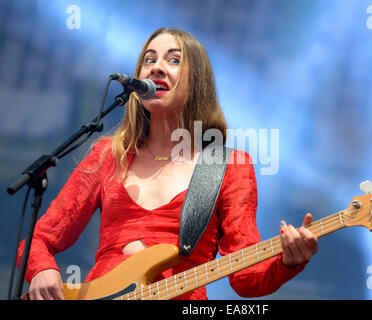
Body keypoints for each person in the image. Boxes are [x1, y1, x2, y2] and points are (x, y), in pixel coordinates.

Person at [16, 27, 318, 300]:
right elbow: (39, 240)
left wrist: (288, 260)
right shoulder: (108, 156)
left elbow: (245, 278)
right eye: (149, 59)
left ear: (197, 81)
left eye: (173, 60)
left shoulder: (229, 166)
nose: (156, 66)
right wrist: (42, 269)